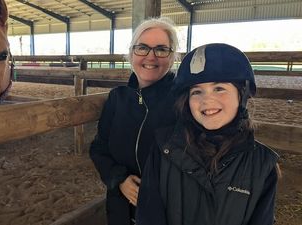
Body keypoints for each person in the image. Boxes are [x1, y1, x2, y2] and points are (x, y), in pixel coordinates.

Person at [136, 43, 280, 225]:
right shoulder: (163, 149)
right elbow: (149, 215)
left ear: (241, 94)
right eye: (196, 92)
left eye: (219, 88)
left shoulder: (262, 165)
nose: (207, 100)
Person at [89, 17, 180, 225]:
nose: (151, 56)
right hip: (120, 209)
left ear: (172, 56)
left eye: (161, 49)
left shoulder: (183, 101)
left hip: (167, 214)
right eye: (142, 48)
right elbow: (99, 148)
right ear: (131, 53)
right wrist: (119, 179)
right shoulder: (117, 98)